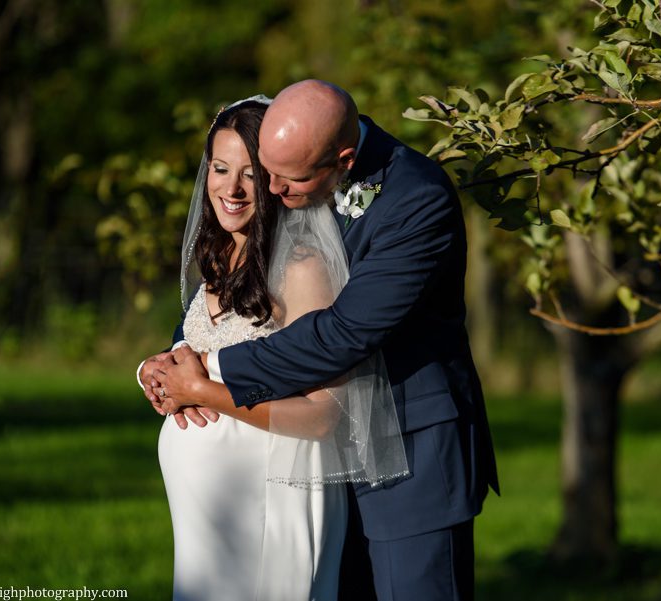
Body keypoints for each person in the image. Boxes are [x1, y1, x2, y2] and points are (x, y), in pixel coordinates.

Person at [149, 80, 500, 601]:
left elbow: (344, 333)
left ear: (343, 160)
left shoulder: (415, 199)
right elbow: (245, 287)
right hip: (307, 477)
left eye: (284, 179)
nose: (269, 191)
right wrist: (167, 363)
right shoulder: (294, 162)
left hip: (406, 456)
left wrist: (211, 371)